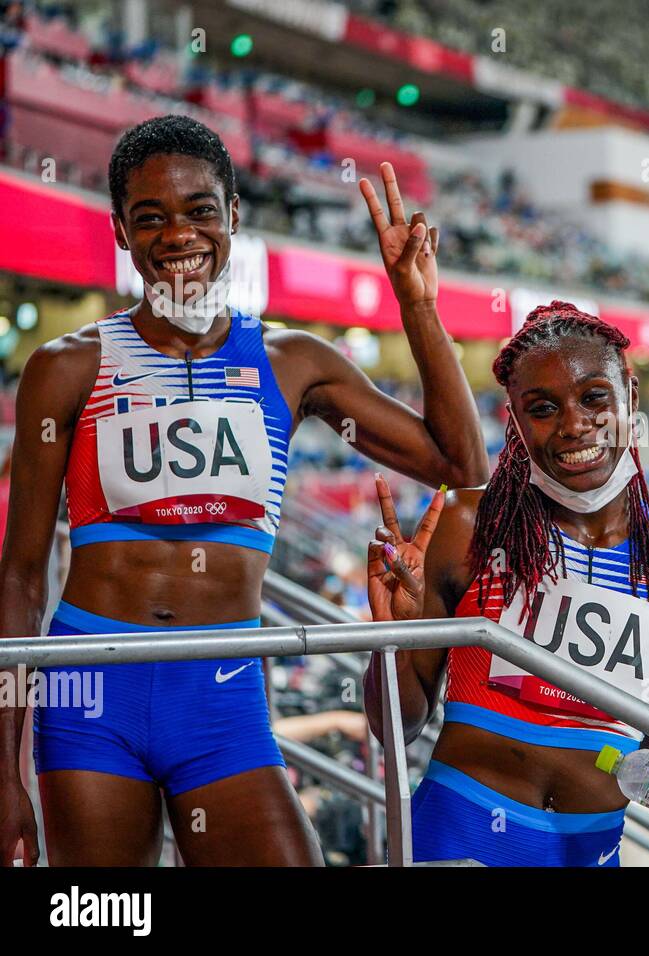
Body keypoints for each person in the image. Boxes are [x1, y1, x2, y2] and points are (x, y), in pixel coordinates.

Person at [0, 114, 488, 866]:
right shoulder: (66, 368)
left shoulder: (293, 361)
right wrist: (4, 771)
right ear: (122, 232)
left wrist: (417, 304)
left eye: (199, 210)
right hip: (91, 691)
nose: (177, 234)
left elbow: (462, 467)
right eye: (149, 217)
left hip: (222, 694)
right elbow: (22, 577)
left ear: (232, 216)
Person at [362, 300, 649, 867]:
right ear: (514, 421)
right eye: (542, 408)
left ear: (631, 397)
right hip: (456, 840)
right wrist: (392, 640)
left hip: (590, 853)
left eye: (594, 398)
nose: (574, 425)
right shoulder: (467, 525)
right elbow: (396, 729)